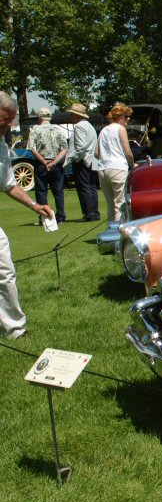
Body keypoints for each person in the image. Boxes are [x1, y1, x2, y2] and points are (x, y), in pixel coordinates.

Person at [0, 92, 54, 339]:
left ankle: (14, 329)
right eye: (5, 119)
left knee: (5, 271)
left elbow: (9, 184)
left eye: (11, 120)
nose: (9, 125)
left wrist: (34, 205)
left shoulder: (1, 146)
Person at [27, 107, 68, 224]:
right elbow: (64, 148)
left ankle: (44, 217)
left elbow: (32, 148)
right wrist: (54, 162)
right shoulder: (58, 129)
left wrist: (44, 161)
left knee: (41, 191)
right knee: (58, 191)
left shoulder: (35, 129)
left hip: (42, 164)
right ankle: (61, 217)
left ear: (40, 117)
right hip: (56, 164)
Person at [96, 104, 136, 222]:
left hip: (103, 169)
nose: (128, 119)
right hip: (118, 168)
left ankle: (110, 232)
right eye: (126, 116)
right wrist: (133, 165)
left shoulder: (103, 130)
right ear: (119, 116)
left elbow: (96, 153)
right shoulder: (120, 129)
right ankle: (118, 235)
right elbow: (128, 152)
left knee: (110, 205)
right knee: (120, 204)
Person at [65, 103, 101, 222]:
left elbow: (81, 146)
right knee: (92, 187)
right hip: (92, 160)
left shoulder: (79, 126)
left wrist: (75, 158)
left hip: (83, 160)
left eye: (72, 114)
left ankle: (89, 214)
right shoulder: (89, 126)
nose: (71, 116)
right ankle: (95, 213)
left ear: (76, 115)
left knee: (84, 188)